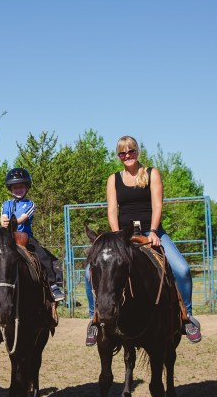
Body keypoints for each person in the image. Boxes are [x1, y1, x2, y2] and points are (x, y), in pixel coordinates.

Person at [85, 135, 201, 346]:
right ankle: (94, 319)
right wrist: (117, 237)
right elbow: (112, 210)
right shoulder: (114, 179)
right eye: (122, 153)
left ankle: (187, 317)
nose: (127, 156)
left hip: (152, 232)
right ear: (118, 155)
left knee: (182, 269)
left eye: (131, 151)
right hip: (124, 235)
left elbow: (157, 206)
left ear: (137, 151)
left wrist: (154, 231)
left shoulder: (151, 173)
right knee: (88, 272)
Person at [0, 167, 65, 303]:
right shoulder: (6, 204)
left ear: (27, 188)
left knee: (43, 256)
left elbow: (24, 218)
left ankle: (53, 286)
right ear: (10, 189)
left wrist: (13, 222)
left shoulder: (30, 204)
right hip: (6, 236)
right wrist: (4, 222)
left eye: (21, 187)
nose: (18, 190)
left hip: (24, 236)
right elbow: (3, 218)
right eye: (15, 187)